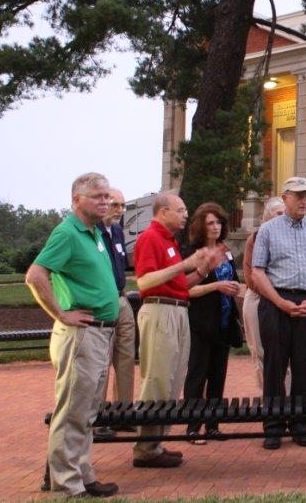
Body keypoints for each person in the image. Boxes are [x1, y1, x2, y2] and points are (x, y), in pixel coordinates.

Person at [25, 172, 120, 498]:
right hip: (81, 335)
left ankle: (82, 474)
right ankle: (66, 485)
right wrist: (60, 314)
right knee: (72, 412)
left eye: (106, 196)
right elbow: (36, 275)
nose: (105, 201)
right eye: (97, 196)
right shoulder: (67, 232)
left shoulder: (94, 232)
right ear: (76, 199)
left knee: (87, 412)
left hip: (99, 335)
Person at [132, 192, 223, 468]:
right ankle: (145, 447)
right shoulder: (150, 238)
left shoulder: (169, 241)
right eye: (181, 210)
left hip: (177, 308)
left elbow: (181, 284)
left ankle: (156, 443)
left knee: (172, 379)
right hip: (160, 311)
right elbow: (145, 282)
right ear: (162, 212)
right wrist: (185, 264)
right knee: (157, 378)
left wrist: (203, 270)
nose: (186, 214)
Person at [248, 177, 306, 450]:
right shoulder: (268, 230)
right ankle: (273, 426)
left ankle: (300, 424)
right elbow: (257, 271)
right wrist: (279, 302)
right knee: (274, 366)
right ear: (284, 197)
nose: (303, 201)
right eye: (297, 195)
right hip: (277, 304)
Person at [182, 203, 244, 444]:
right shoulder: (192, 252)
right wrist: (216, 286)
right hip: (200, 322)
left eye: (218, 222)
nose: (216, 227)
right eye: (210, 223)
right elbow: (186, 290)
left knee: (218, 375)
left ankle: (213, 425)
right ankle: (192, 426)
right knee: (198, 375)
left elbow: (234, 280)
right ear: (201, 226)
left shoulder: (224, 252)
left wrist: (234, 287)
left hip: (224, 321)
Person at [96, 187, 135, 437]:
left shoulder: (118, 232)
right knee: (101, 362)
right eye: (114, 205)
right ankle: (99, 418)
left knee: (126, 358)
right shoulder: (94, 233)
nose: (120, 211)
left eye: (122, 205)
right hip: (102, 304)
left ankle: (122, 413)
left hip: (122, 299)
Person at [242, 197, 286, 391]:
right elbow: (250, 276)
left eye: (284, 213)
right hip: (258, 297)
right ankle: (266, 396)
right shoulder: (255, 238)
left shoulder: (291, 237)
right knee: (259, 350)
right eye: (278, 213)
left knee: (284, 351)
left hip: (284, 298)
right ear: (268, 216)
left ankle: (287, 399)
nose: (282, 217)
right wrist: (272, 293)